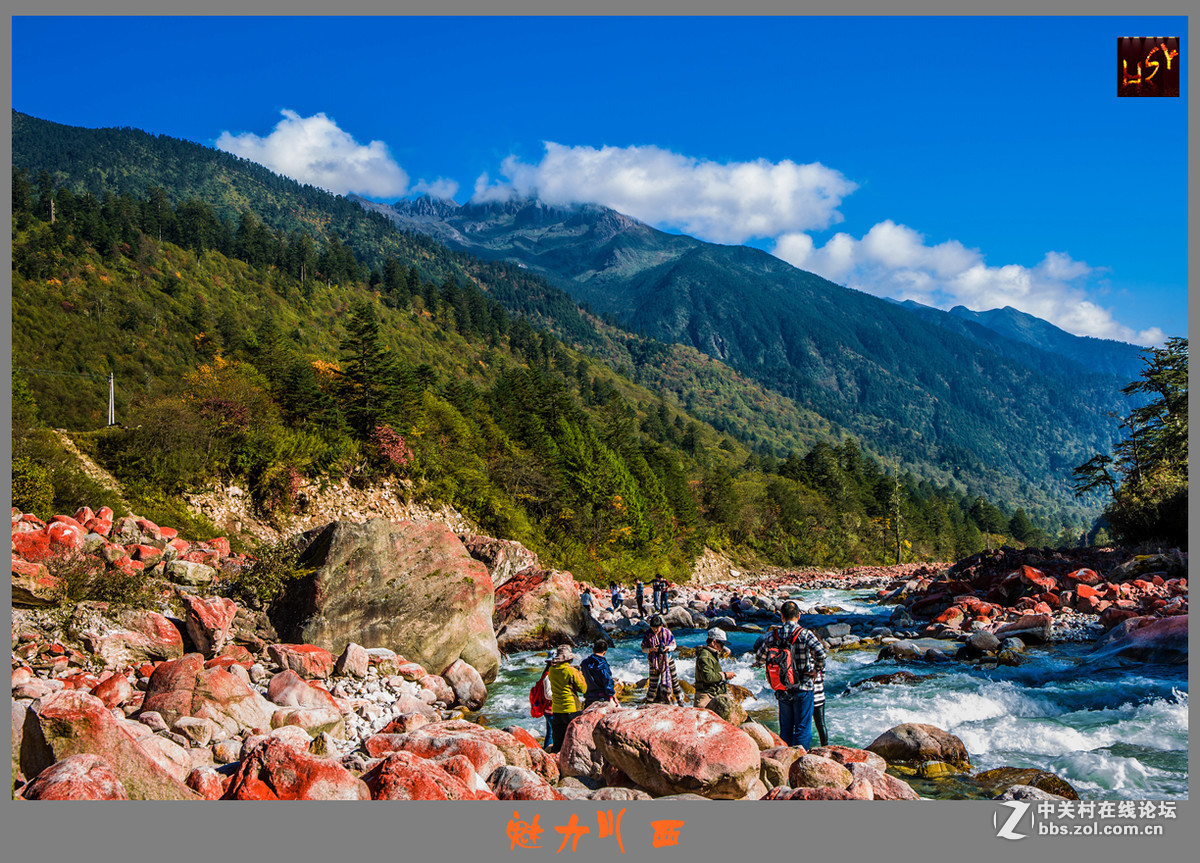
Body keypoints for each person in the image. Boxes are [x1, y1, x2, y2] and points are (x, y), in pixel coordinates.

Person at [754, 600, 826, 749]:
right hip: (803, 686)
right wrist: (816, 670)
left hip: (782, 687)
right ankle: (799, 761)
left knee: (785, 730)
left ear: (782, 616)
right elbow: (821, 653)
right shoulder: (805, 634)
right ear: (799, 616)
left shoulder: (772, 635)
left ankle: (784, 758)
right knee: (802, 729)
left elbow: (759, 658)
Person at [547, 644, 588, 753]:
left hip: (556, 709)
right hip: (571, 709)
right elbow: (583, 689)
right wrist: (580, 674)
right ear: (569, 659)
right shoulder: (571, 671)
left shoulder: (551, 670)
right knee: (574, 742)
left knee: (558, 744)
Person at [641, 614, 683, 704]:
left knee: (674, 682)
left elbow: (674, 645)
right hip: (653, 662)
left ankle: (680, 702)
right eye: (653, 627)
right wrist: (651, 649)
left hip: (667, 660)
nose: (655, 630)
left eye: (657, 627)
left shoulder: (667, 632)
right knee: (653, 685)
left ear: (661, 626)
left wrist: (667, 648)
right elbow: (643, 648)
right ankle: (648, 704)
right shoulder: (648, 634)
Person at [693, 627, 736, 710]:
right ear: (714, 642)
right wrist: (725, 675)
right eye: (722, 644)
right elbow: (708, 677)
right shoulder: (705, 656)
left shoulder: (711, 655)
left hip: (711, 696)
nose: (723, 647)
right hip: (705, 698)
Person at [580, 639, 617, 707]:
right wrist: (613, 696)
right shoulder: (603, 665)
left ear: (593, 649)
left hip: (589, 697)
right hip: (601, 698)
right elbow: (607, 681)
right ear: (604, 652)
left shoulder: (584, 663)